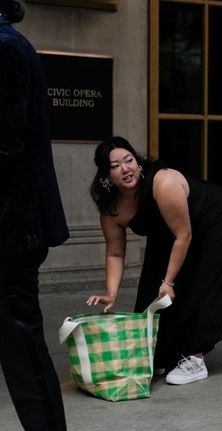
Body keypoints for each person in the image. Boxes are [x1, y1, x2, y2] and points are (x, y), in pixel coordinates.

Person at [87, 136, 222, 385]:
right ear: (105, 175)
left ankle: (195, 359)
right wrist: (111, 293)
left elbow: (184, 235)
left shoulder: (163, 182)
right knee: (153, 290)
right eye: (115, 165)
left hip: (212, 218)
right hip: (169, 232)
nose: (126, 169)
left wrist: (170, 281)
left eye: (129, 160)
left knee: (199, 284)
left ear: (137, 162)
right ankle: (164, 353)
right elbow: (115, 253)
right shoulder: (112, 208)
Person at [0, 1, 69, 429]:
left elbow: (6, 147)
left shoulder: (6, 47)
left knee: (22, 348)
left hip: (11, 229)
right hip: (12, 225)